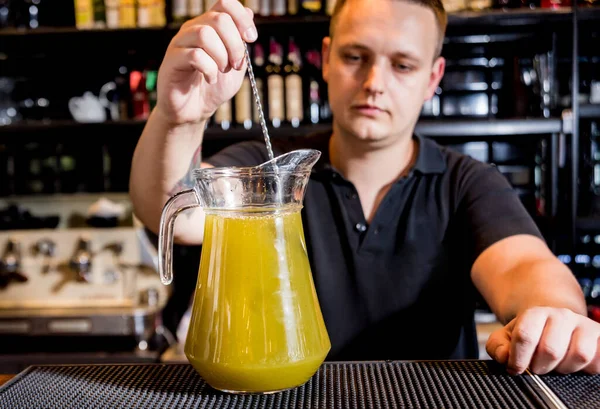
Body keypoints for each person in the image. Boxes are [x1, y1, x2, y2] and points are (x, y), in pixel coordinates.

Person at [129, 0, 600, 375]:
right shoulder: (268, 171)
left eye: (402, 65)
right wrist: (180, 118)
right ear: (328, 58)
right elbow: (169, 207)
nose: (374, 83)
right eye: (356, 57)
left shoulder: (466, 183)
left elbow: (525, 266)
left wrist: (553, 316)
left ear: (433, 78)